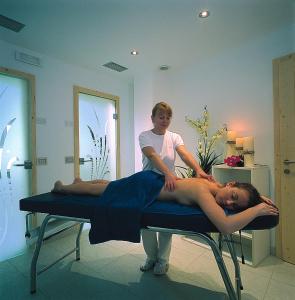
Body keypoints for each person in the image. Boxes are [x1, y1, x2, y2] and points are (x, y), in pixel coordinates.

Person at [52, 174, 278, 240]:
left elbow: (236, 199)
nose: (228, 203)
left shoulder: (216, 187)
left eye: (234, 205)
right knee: (104, 191)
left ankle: (78, 183)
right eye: (233, 195)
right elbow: (226, 226)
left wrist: (259, 199)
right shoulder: (205, 191)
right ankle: (63, 188)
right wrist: (256, 210)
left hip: (151, 181)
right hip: (147, 186)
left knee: (111, 185)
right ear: (230, 184)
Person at [139, 102, 213, 275]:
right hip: (148, 182)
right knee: (144, 221)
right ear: (153, 118)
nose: (165, 120)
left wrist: (199, 170)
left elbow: (184, 154)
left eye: (168, 117)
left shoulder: (174, 137)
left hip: (169, 183)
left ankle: (163, 261)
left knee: (165, 220)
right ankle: (151, 257)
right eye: (161, 117)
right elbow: (152, 155)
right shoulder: (145, 136)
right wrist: (167, 172)